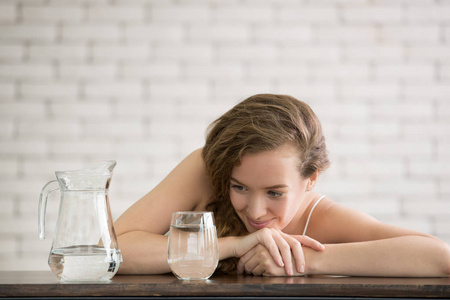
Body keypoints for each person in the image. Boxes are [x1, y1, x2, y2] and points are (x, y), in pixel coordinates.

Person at [114, 94, 450, 277]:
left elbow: (440, 257)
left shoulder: (321, 216)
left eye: (275, 192)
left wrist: (303, 259)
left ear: (310, 180)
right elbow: (114, 249)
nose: (256, 211)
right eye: (239, 187)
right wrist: (232, 245)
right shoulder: (205, 169)